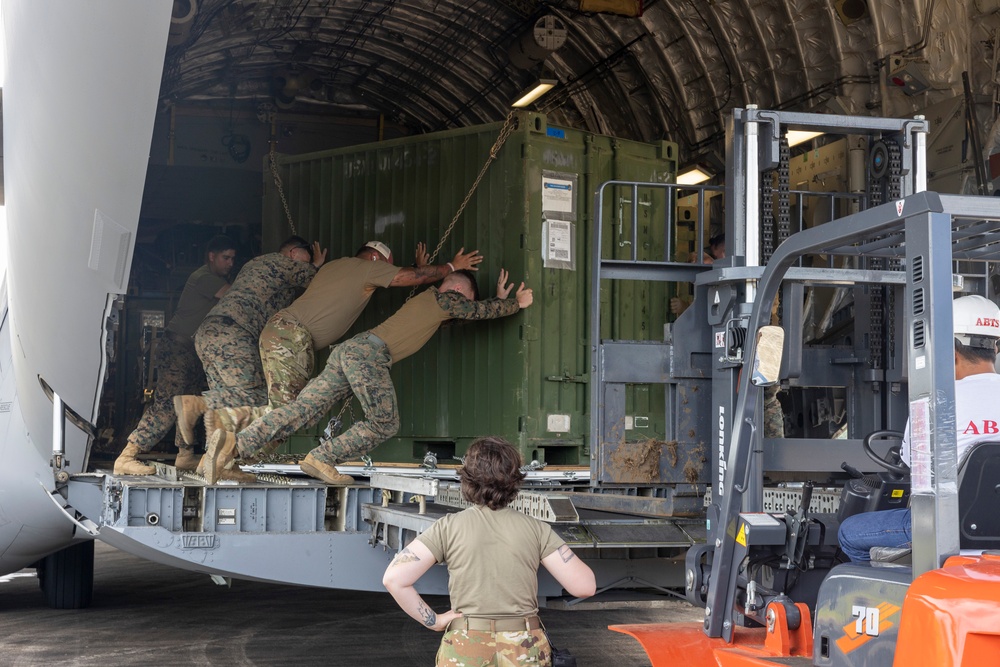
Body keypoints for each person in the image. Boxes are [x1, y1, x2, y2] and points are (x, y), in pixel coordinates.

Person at [203, 268, 533, 485]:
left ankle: (233, 445)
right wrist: (514, 305)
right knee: (384, 423)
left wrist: (497, 302)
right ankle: (321, 457)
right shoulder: (444, 297)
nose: (463, 305)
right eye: (467, 298)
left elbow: (465, 315)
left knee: (302, 410)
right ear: (459, 289)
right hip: (368, 355)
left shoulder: (431, 304)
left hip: (350, 351)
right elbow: (473, 311)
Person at [210, 241, 483, 435]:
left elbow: (397, 281)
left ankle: (227, 431)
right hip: (291, 337)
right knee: (291, 412)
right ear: (376, 260)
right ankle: (230, 434)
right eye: (387, 267)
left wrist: (417, 272)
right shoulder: (367, 269)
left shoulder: (336, 267)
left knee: (286, 408)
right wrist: (448, 267)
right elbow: (402, 278)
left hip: (278, 332)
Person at [381, 436, 596, 666]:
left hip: (466, 645)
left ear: (468, 479)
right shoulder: (536, 529)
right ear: (514, 480)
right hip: (523, 648)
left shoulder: (448, 527)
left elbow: (394, 579)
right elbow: (585, 587)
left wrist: (435, 621)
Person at [838, 294, 1000, 562]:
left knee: (849, 532)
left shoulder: (933, 403)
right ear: (995, 347)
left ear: (951, 350)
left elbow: (915, 470)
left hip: (949, 532)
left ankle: (897, 596)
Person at [174, 235, 327, 457]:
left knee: (227, 402)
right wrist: (315, 265)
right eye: (307, 254)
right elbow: (316, 279)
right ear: (294, 253)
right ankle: (196, 404)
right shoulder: (282, 263)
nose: (309, 258)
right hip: (234, 333)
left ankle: (217, 461)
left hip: (210, 333)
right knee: (257, 396)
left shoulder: (255, 266)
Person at [113, 235, 237, 475]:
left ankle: (185, 456)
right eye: (226, 258)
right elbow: (234, 296)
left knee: (188, 404)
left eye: (233, 258)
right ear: (212, 257)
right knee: (169, 404)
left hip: (193, 352)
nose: (230, 263)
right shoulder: (205, 278)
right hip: (179, 349)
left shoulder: (213, 278)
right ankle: (127, 456)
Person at [669, 232, 725, 317]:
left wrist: (684, 307)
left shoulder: (727, 277)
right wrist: (685, 307)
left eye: (700, 259)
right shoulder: (707, 291)